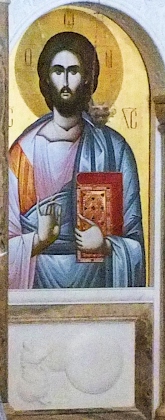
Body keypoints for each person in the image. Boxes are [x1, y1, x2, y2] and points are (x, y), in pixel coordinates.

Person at [9, 32, 145, 289]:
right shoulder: (22, 153)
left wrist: (105, 245)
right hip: (36, 287)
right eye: (57, 71)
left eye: (74, 71)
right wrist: (38, 240)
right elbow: (5, 243)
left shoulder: (114, 150)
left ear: (87, 79)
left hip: (96, 286)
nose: (65, 81)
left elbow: (135, 241)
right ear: (45, 79)